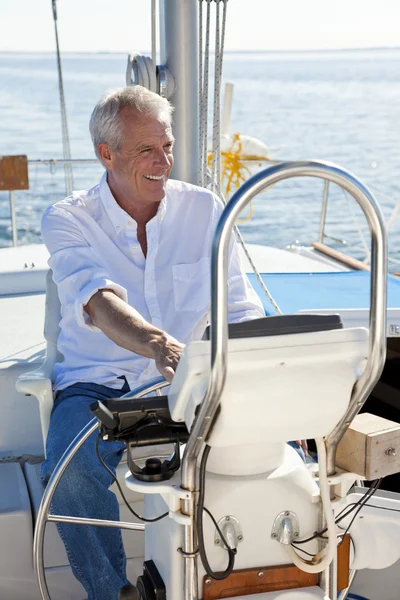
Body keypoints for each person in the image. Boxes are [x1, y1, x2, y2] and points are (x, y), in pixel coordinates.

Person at [40, 85, 265, 600]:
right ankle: (111, 592)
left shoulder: (204, 208)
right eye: (146, 150)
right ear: (106, 154)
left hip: (191, 380)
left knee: (276, 448)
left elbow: (238, 307)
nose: (164, 160)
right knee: (70, 476)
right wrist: (160, 345)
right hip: (98, 385)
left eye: (166, 146)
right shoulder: (69, 218)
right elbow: (98, 303)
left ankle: (233, 583)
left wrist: (259, 380)